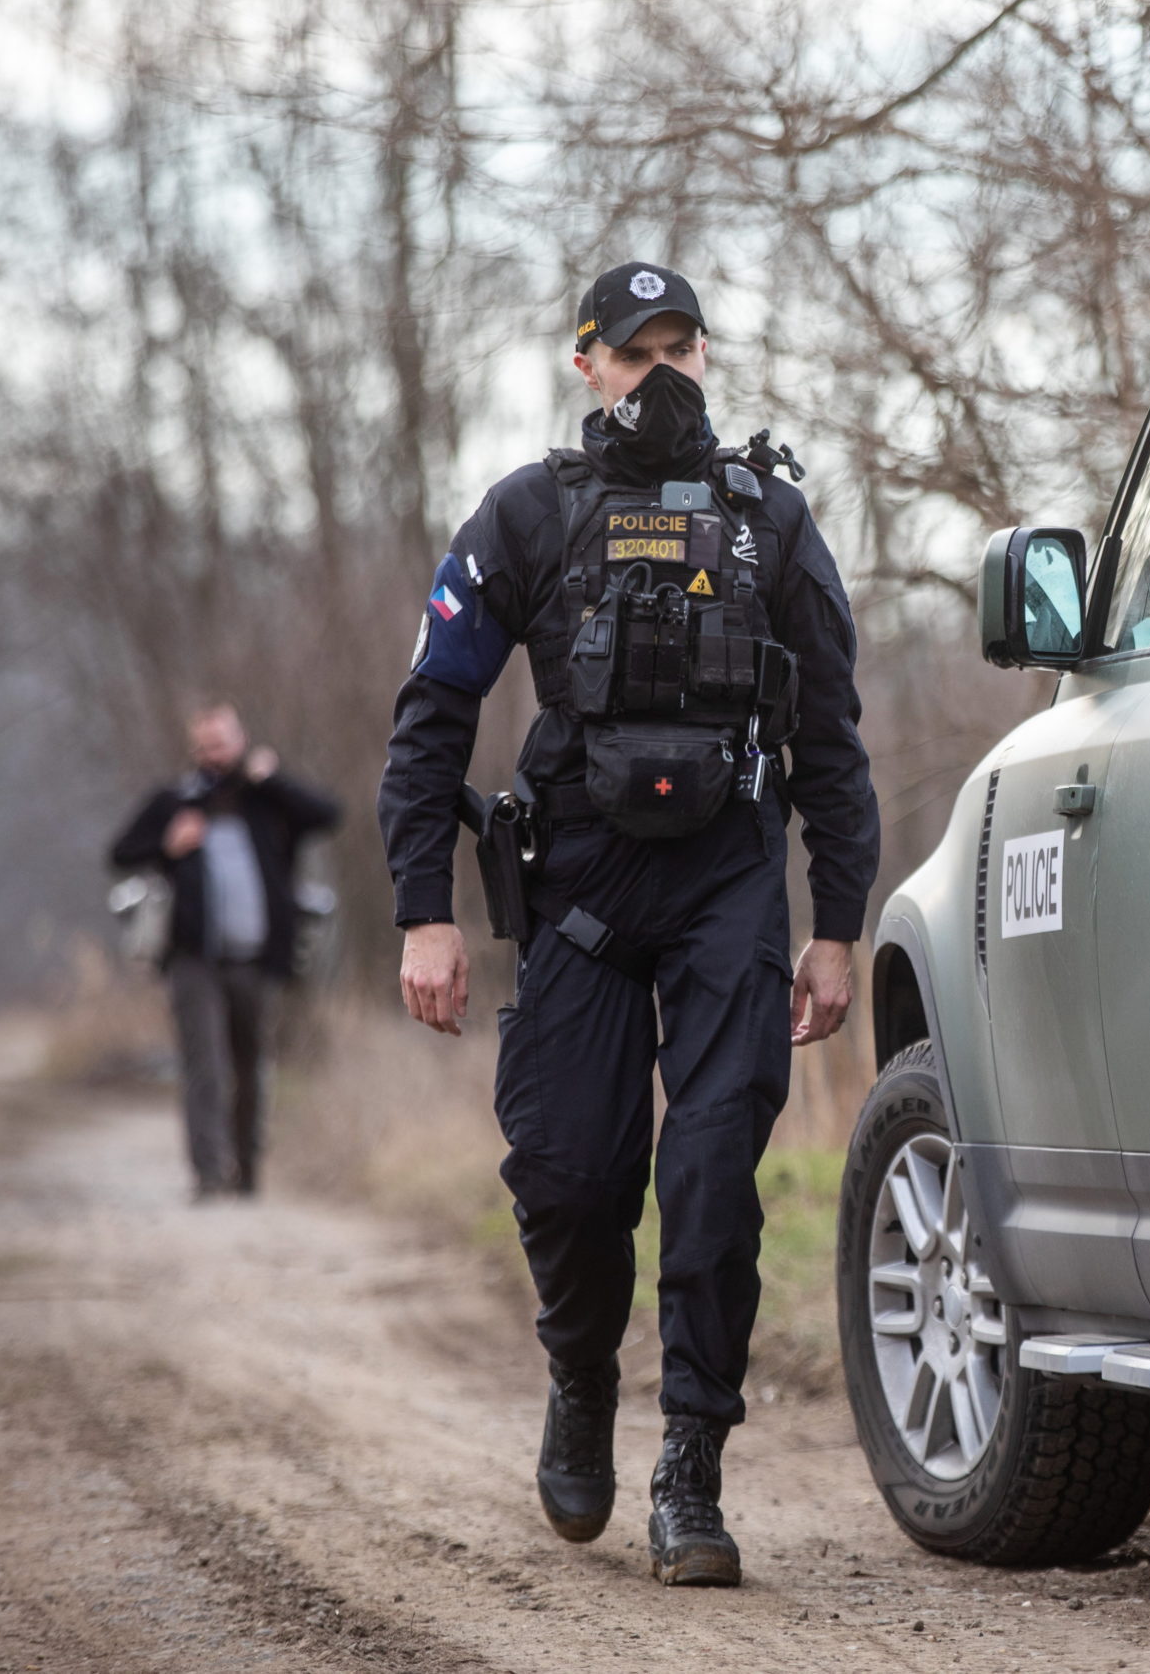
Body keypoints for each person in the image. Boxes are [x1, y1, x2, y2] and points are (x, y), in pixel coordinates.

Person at [377, 262, 878, 1590]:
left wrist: (837, 925)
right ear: (586, 365)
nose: (662, 368)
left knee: (710, 1185)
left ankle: (692, 1471)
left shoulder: (770, 518)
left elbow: (831, 730)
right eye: (634, 348)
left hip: (726, 887)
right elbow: (431, 713)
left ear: (708, 356)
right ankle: (582, 1375)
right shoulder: (529, 513)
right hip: (584, 893)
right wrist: (423, 909)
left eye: (682, 345)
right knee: (575, 1178)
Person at [109, 704, 340, 1198]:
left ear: (241, 740)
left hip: (257, 958)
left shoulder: (266, 802)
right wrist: (167, 845)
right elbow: (120, 852)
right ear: (195, 751)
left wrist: (273, 780)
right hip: (194, 958)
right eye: (207, 746)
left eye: (224, 743)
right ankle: (209, 1176)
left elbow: (328, 815)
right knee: (205, 1066)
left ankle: (248, 1172)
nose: (217, 754)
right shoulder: (175, 802)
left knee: (251, 1066)